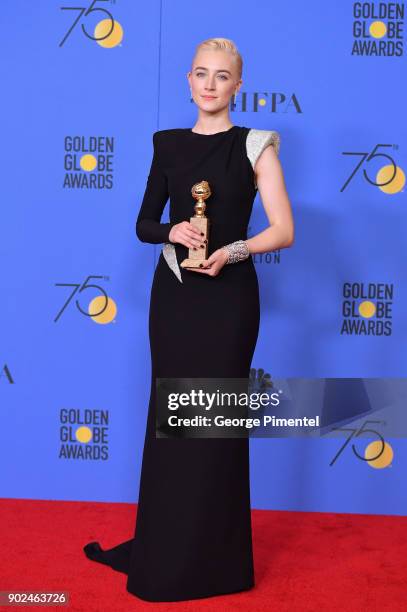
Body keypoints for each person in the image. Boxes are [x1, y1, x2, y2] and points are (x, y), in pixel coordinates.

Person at [83, 37, 294, 602]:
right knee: (172, 423)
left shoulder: (255, 146)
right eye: (201, 73)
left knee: (216, 425)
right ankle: (168, 551)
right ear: (188, 79)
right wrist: (174, 231)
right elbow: (144, 224)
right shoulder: (169, 145)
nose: (209, 84)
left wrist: (235, 250)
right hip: (174, 298)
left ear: (237, 85)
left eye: (221, 76)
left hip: (228, 301)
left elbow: (284, 230)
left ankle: (217, 562)